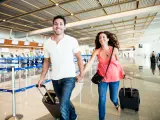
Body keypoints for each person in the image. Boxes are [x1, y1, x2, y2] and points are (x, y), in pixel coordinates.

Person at [38, 15, 84, 120]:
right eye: (56, 24)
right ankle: (73, 116)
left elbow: (79, 58)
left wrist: (81, 74)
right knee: (64, 101)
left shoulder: (72, 40)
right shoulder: (47, 43)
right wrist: (42, 77)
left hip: (69, 77)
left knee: (62, 104)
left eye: (61, 24)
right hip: (55, 79)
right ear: (53, 26)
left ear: (64, 27)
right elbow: (46, 61)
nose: (58, 26)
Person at [78, 31, 130, 120]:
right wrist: (82, 73)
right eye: (100, 38)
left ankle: (116, 104)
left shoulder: (114, 49)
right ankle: (101, 118)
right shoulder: (97, 51)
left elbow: (119, 63)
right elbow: (90, 63)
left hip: (114, 78)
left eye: (103, 37)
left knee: (113, 98)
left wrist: (124, 74)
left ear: (108, 39)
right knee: (102, 99)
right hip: (102, 78)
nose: (101, 39)